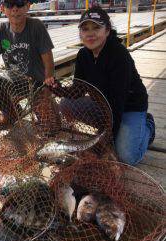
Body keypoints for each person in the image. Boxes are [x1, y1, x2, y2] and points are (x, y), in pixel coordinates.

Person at [59, 6, 155, 166]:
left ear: (108, 30)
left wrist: (107, 142)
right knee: (65, 104)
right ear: (80, 33)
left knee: (126, 157)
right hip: (103, 106)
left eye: (96, 27)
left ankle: (148, 126)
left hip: (129, 108)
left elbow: (117, 104)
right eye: (85, 29)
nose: (90, 33)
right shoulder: (83, 55)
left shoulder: (119, 55)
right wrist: (56, 87)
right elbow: (78, 91)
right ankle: (106, 129)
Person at [0, 0, 59, 131]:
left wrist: (47, 89)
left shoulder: (36, 26)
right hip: (14, 82)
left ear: (27, 6)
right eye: (9, 4)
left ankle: (45, 105)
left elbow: (48, 61)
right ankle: (11, 114)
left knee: (51, 128)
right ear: (3, 8)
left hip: (38, 83)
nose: (15, 9)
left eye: (19, 3)